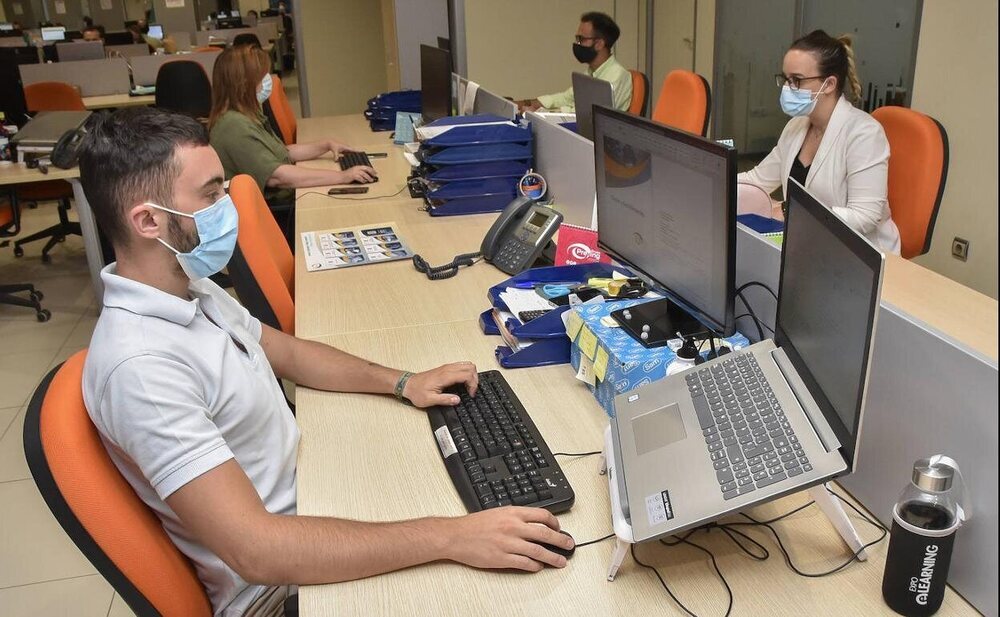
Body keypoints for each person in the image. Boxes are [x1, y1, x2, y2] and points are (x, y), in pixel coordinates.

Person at [77, 107, 574, 617]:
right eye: (210, 195)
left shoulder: (189, 288)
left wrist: (403, 382)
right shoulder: (141, 367)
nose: (227, 207)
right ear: (147, 220)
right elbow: (258, 551)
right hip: (280, 590)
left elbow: (287, 352)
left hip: (310, 500)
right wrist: (451, 537)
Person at [738, 30, 900, 254]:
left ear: (830, 84)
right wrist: (716, 181)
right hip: (809, 244)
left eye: (796, 80)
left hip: (859, 255)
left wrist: (790, 211)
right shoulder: (797, 126)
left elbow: (865, 217)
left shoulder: (864, 134)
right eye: (785, 79)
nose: (787, 88)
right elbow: (758, 179)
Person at [208, 46, 374, 205]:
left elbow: (283, 153)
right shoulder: (233, 125)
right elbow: (277, 177)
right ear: (244, 83)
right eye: (260, 76)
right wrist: (343, 176)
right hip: (276, 210)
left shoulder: (245, 114)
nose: (267, 80)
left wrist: (326, 144)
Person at [517, 12, 632, 113]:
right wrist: (528, 103)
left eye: (581, 39)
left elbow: (587, 115)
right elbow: (566, 98)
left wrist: (541, 112)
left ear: (599, 44)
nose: (577, 44)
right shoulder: (591, 72)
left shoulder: (617, 77)